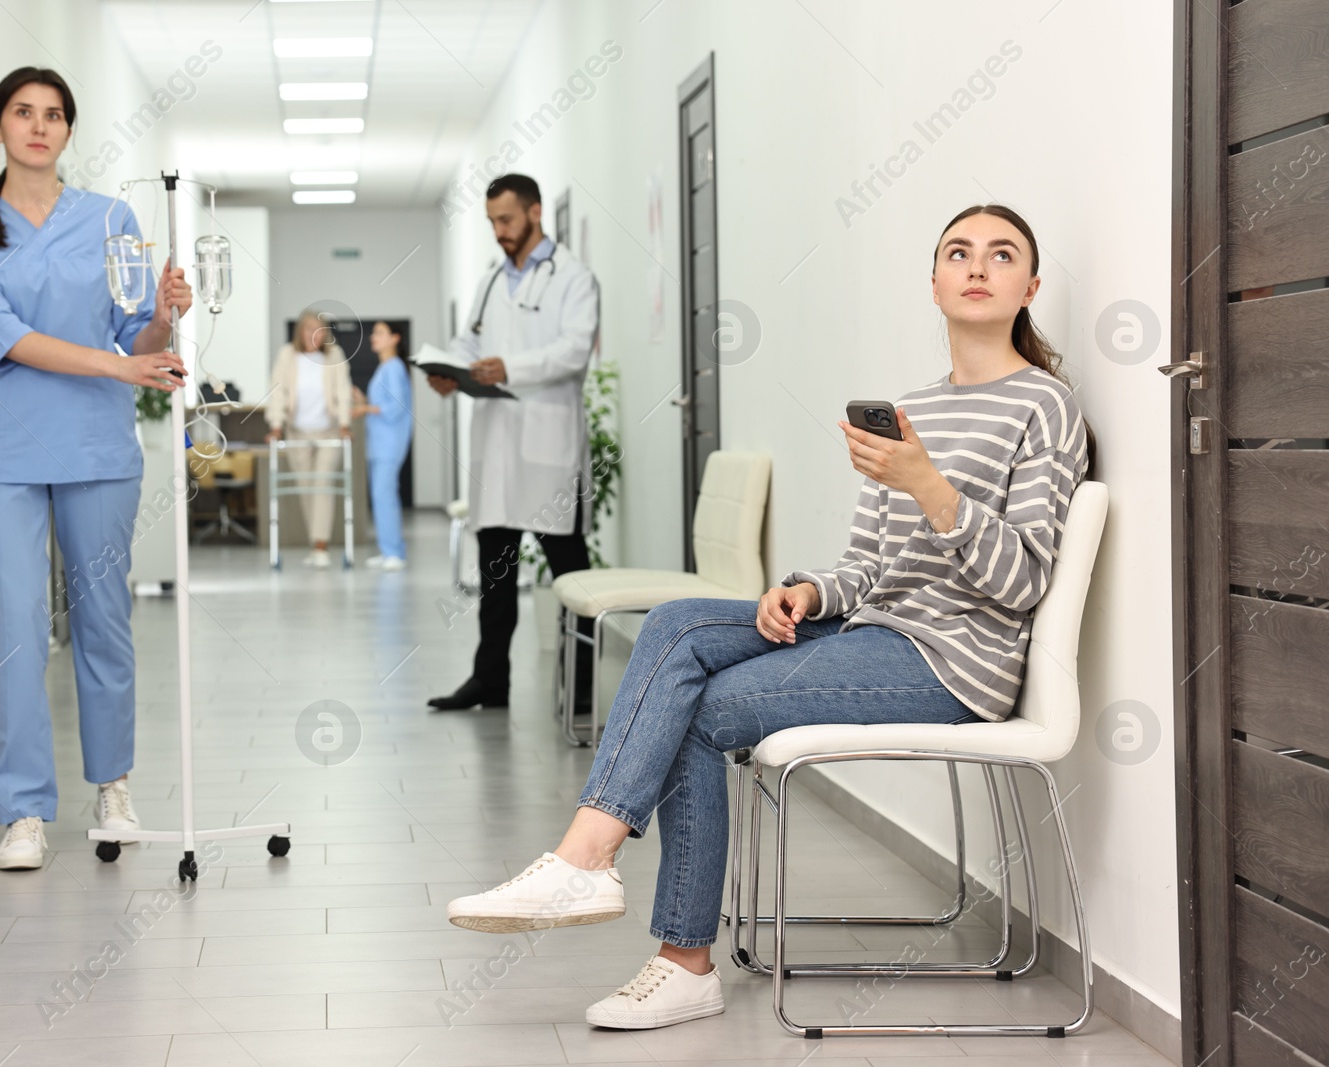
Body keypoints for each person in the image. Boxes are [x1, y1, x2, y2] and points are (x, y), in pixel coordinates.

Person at [445, 204, 1093, 1030]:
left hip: (953, 663)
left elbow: (1024, 580)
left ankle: (667, 943)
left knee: (698, 710)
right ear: (933, 284)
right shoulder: (909, 409)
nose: (977, 266)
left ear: (1029, 286)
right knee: (674, 625)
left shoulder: (1045, 407)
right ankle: (594, 864)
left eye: (1001, 255)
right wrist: (805, 594)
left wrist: (928, 481)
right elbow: (867, 566)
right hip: (876, 631)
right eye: (958, 253)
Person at [0, 68, 192, 871]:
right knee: (16, 632)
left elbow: (139, 341)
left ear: (69, 133)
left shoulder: (113, 218)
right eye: (23, 113)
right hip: (5, 452)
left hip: (95, 446)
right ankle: (22, 811)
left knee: (101, 622)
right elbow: (7, 337)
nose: (39, 126)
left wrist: (162, 311)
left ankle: (112, 786)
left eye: (54, 115)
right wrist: (119, 367)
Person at [426, 174, 600, 712]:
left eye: (506, 220)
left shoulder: (573, 277)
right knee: (495, 576)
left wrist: (511, 367)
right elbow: (469, 339)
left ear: (534, 212)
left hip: (548, 445)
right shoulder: (490, 280)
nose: (499, 231)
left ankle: (581, 694)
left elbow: (574, 350)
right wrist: (450, 370)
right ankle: (489, 681)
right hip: (497, 444)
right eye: (492, 222)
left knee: (570, 574)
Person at [265, 310, 353, 567]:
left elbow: (343, 390)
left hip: (329, 430)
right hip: (297, 430)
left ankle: (321, 546)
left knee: (323, 484)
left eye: (319, 329)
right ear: (299, 332)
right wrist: (276, 425)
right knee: (305, 486)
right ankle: (315, 544)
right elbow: (277, 392)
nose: (313, 334)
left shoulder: (334, 355)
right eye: (308, 329)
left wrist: (346, 424)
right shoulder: (287, 355)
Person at [353, 321, 414, 570]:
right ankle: (390, 549)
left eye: (379, 333)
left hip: (390, 443)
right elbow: (382, 403)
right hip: (379, 444)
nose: (372, 338)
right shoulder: (384, 368)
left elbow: (395, 408)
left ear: (395, 338)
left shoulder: (394, 367)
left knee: (384, 495)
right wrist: (364, 400)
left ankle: (394, 554)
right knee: (381, 496)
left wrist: (364, 408)